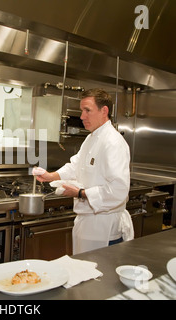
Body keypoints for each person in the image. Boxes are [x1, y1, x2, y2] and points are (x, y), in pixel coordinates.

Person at [33, 88, 134, 254]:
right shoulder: (91, 137)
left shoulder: (113, 142)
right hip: (86, 223)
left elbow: (118, 191)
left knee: (103, 275)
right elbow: (76, 165)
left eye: (87, 110)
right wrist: (50, 176)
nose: (82, 117)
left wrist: (80, 193)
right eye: (82, 110)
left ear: (104, 111)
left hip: (104, 228)